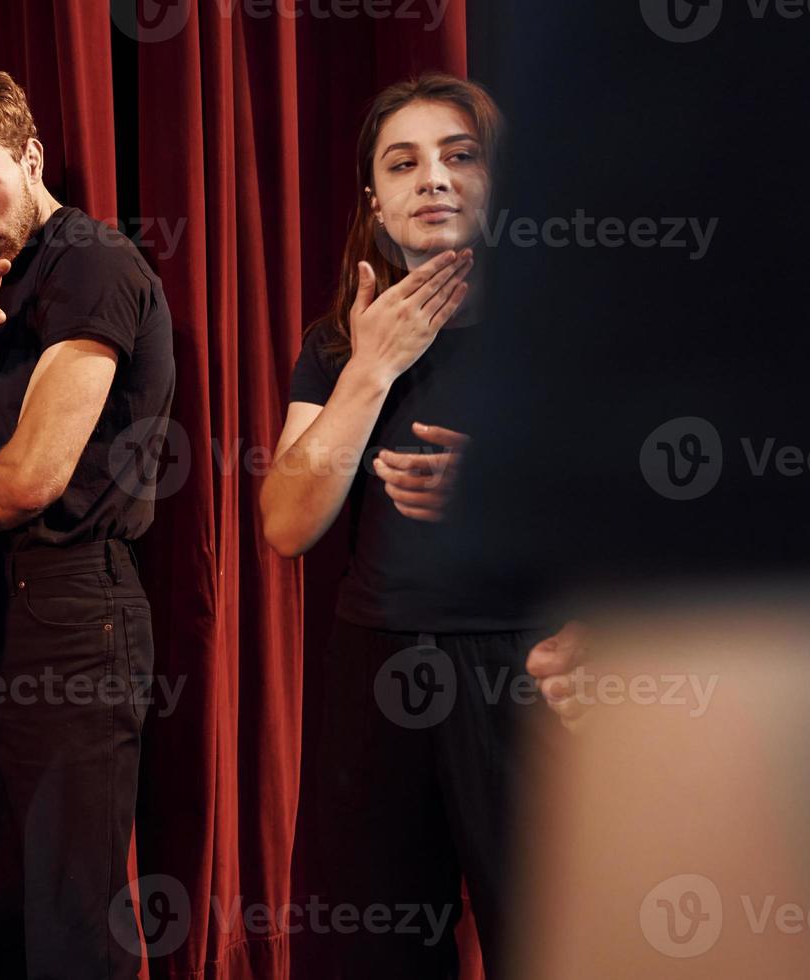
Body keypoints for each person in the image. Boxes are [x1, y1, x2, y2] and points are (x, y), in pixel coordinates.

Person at [258, 73, 560, 977]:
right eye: (405, 162)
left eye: (460, 155)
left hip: (532, 670)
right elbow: (286, 524)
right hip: (379, 668)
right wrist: (370, 372)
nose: (433, 177)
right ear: (376, 204)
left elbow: (642, 521)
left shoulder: (564, 334)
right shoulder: (337, 347)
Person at [0, 54, 176, 980]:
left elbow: (26, 483)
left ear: (32, 156)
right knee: (0, 908)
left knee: (67, 923)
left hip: (75, 613)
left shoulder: (90, 262)